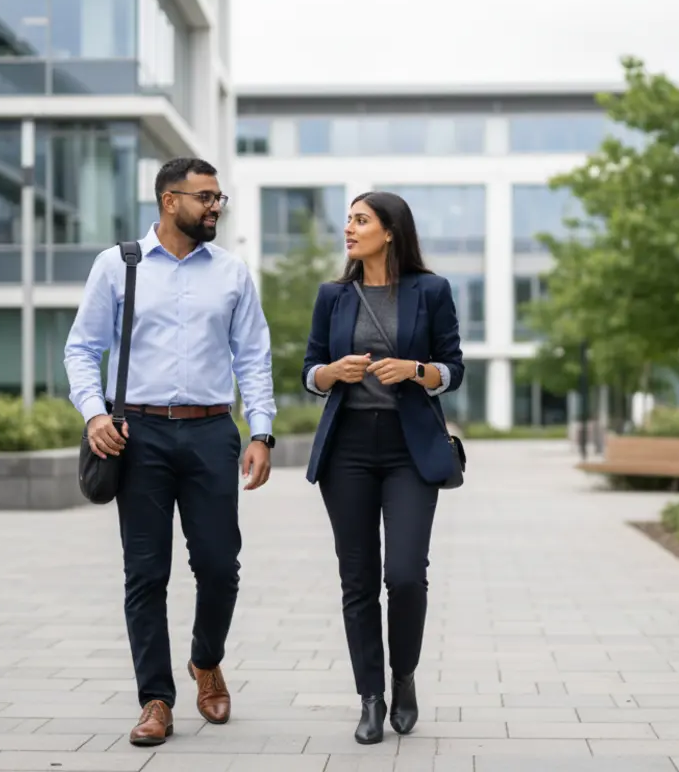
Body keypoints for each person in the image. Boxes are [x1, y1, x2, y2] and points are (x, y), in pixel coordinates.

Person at [63, 157, 277, 748]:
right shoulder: (117, 265)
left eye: (218, 198)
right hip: (138, 435)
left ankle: (205, 660)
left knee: (219, 566)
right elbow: (82, 348)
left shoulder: (231, 273)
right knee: (145, 572)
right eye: (205, 197)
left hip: (211, 432)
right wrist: (95, 413)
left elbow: (253, 357)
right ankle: (155, 699)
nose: (215, 207)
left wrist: (261, 432)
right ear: (169, 200)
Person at [300, 191, 465, 745]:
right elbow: (309, 371)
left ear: (390, 231)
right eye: (348, 219)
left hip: (409, 449)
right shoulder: (333, 295)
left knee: (405, 575)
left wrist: (416, 370)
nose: (349, 228)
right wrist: (333, 372)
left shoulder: (431, 291)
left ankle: (404, 676)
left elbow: (453, 368)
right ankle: (370, 697)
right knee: (359, 579)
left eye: (361, 220)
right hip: (346, 449)